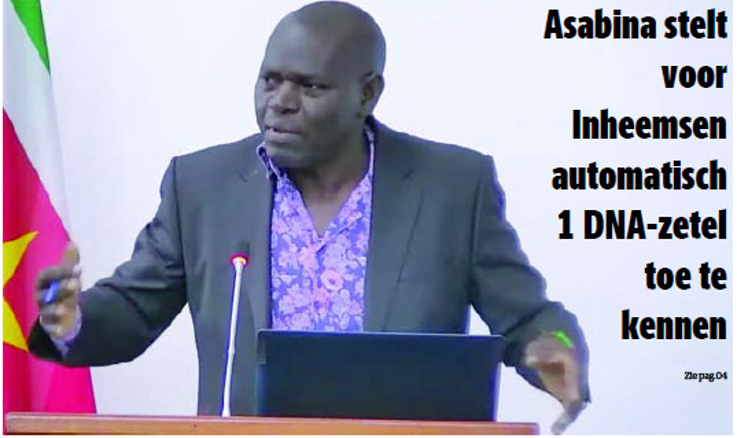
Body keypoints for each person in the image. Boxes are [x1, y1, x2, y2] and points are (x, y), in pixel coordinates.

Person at [29, 1, 589, 433]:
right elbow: (133, 309)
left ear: (367, 94)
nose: (280, 101)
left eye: (310, 86)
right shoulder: (202, 186)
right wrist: (70, 321)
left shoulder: (452, 188)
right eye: (270, 80)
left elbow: (529, 317)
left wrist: (556, 344)